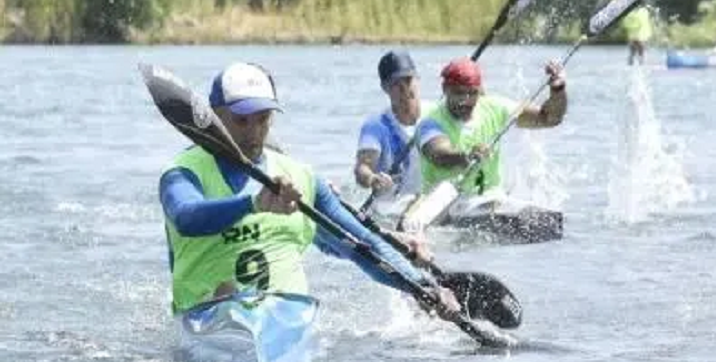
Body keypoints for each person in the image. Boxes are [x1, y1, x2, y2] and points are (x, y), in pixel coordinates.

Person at [159, 62, 458, 315]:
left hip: (284, 318)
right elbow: (186, 217)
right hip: (207, 316)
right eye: (240, 120)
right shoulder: (183, 174)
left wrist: (423, 287)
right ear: (214, 116)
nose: (253, 133)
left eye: (262, 119)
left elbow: (361, 245)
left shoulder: (301, 178)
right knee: (225, 295)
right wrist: (252, 205)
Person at [417, 57, 567, 198]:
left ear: (479, 90)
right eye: (459, 93)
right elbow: (439, 155)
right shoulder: (430, 123)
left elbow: (549, 118)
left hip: (490, 198)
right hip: (444, 200)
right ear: (445, 89)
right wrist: (466, 157)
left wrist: (558, 90)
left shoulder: (495, 108)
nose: (466, 101)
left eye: (472, 93)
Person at [352, 50, 426, 209]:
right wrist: (372, 179)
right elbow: (362, 168)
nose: (404, 89)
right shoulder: (375, 126)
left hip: (428, 204)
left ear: (417, 80)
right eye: (395, 84)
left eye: (408, 80)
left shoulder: (434, 117)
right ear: (384, 88)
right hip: (391, 208)